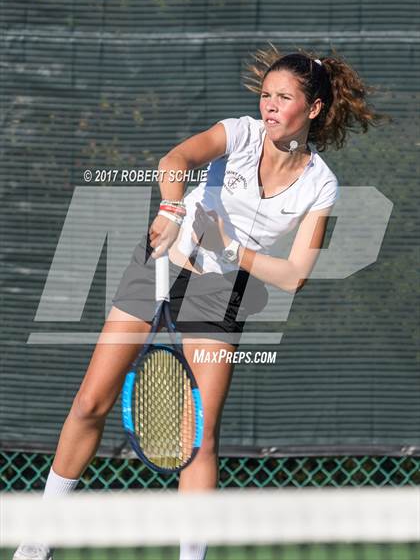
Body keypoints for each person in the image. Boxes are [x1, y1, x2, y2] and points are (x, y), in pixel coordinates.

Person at [13, 47, 380, 560]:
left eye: (284, 98)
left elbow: (294, 276)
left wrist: (231, 249)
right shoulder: (240, 133)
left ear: (313, 109)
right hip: (162, 264)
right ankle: (39, 542)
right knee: (89, 402)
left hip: (222, 290)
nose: (269, 106)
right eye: (265, 95)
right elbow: (176, 160)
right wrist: (170, 206)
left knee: (199, 437)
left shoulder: (320, 186)